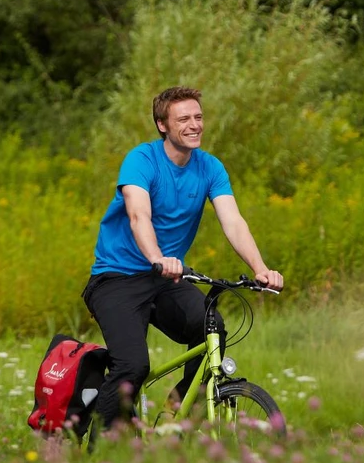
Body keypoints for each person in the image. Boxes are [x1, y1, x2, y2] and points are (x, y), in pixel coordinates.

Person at [83, 86, 283, 431]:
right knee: (132, 365)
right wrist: (158, 257)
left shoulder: (209, 167)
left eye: (198, 117)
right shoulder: (142, 160)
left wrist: (260, 268)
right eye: (184, 119)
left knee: (212, 330)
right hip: (116, 278)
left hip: (166, 279)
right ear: (162, 125)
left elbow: (233, 222)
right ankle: (99, 451)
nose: (194, 125)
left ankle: (173, 417)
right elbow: (138, 216)